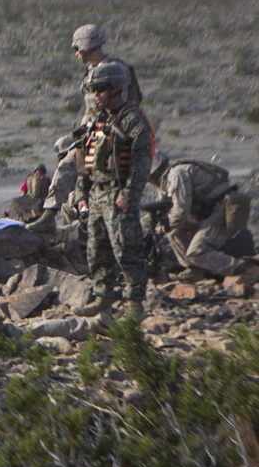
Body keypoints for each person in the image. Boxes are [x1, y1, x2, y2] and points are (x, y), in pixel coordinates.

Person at [28, 24, 143, 235]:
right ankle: (57, 214)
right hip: (90, 132)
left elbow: (130, 103)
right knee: (72, 168)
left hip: (111, 134)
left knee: (78, 170)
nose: (76, 53)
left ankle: (51, 215)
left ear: (86, 45)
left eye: (77, 48)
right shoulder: (90, 72)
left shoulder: (117, 69)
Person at [72, 62, 153, 322]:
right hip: (97, 192)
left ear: (117, 88)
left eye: (102, 89)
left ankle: (134, 303)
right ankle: (102, 296)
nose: (96, 94)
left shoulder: (132, 121)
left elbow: (141, 165)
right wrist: (81, 194)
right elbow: (86, 161)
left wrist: (128, 196)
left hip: (118, 194)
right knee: (97, 249)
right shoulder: (99, 120)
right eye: (93, 89)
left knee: (127, 248)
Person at [147, 152, 256, 280]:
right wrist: (147, 225)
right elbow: (165, 210)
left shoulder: (177, 175)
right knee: (173, 230)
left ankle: (245, 268)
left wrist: (162, 227)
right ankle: (193, 270)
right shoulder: (166, 183)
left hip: (220, 211)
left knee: (197, 251)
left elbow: (181, 212)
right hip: (205, 214)